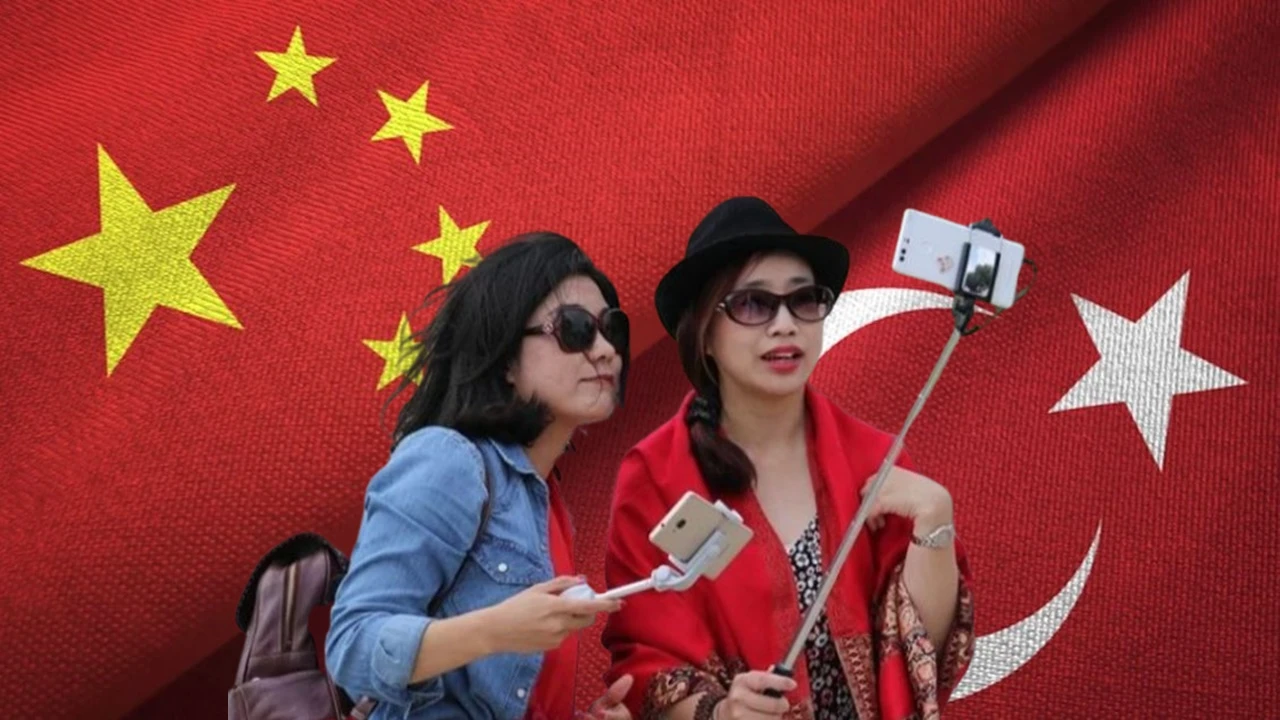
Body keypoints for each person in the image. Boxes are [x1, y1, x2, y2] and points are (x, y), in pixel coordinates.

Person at [600, 198, 975, 720]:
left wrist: (935, 520)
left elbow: (922, 655)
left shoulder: (876, 459)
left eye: (804, 300)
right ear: (705, 333)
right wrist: (720, 713)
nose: (784, 323)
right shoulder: (654, 474)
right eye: (754, 304)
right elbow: (646, 657)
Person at [326, 232, 636, 719]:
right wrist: (496, 629)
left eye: (611, 330)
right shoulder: (450, 461)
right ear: (507, 358)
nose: (604, 351)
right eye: (575, 329)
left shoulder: (542, 498)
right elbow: (351, 646)